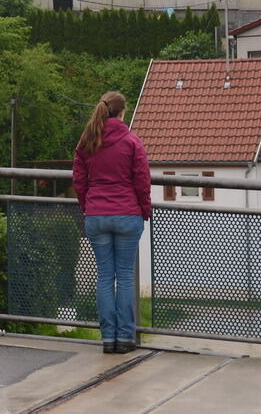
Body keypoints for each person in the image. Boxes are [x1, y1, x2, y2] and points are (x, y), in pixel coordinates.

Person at [72, 91, 151, 355]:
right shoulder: (132, 142)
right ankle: (126, 338)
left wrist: (89, 207)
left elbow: (79, 181)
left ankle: (108, 339)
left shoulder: (87, 142)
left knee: (105, 277)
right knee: (125, 277)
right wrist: (144, 209)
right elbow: (142, 180)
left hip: (96, 216)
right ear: (121, 113)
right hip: (128, 215)